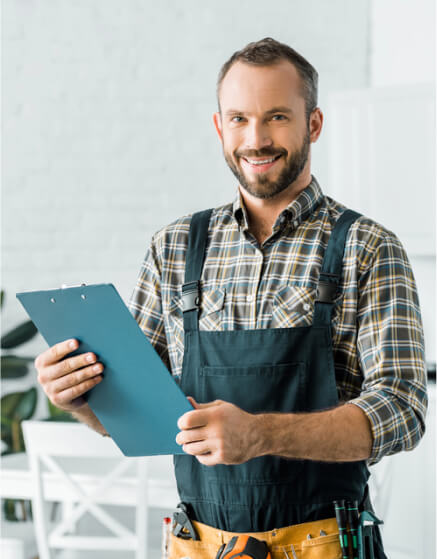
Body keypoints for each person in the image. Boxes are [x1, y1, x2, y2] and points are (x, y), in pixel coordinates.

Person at [35, 38, 427, 558]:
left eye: (277, 117)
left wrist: (261, 434)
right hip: (199, 546)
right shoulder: (173, 247)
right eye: (239, 118)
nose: (256, 139)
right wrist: (81, 398)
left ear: (313, 124)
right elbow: (137, 413)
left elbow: (403, 411)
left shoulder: (368, 247)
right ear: (220, 127)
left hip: (325, 545)